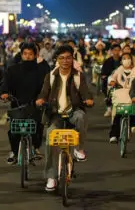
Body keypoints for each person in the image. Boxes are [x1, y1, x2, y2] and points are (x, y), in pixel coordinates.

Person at [35, 45, 93, 192]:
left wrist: (88, 99)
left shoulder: (78, 76)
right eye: (62, 58)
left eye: (68, 58)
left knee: (81, 117)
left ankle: (79, 149)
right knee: (50, 137)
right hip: (56, 114)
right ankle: (51, 177)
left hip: (73, 111)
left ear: (72, 59)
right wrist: (40, 99)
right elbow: (44, 92)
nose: (65, 61)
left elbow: (85, 92)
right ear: (57, 60)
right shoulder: (51, 76)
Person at [0, 43, 49, 164]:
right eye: (25, 54)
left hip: (35, 104)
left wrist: (42, 98)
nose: (27, 56)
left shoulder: (42, 71)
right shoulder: (12, 70)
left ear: (36, 55)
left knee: (37, 128)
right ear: (21, 55)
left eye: (30, 54)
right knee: (14, 130)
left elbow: (47, 87)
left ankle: (35, 148)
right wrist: (4, 94)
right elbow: (5, 85)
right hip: (17, 105)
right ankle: (14, 152)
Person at [108, 53, 135, 143]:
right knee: (118, 114)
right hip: (121, 94)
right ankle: (114, 135)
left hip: (133, 94)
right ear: (121, 61)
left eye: (128, 58)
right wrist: (112, 82)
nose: (126, 60)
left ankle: (134, 126)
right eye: (124, 58)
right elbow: (111, 78)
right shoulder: (119, 70)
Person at [101, 44, 122, 117]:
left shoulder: (122, 60)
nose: (116, 52)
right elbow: (103, 73)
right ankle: (109, 108)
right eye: (115, 50)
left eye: (118, 50)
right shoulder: (107, 61)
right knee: (108, 85)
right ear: (112, 51)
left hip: (122, 79)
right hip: (110, 79)